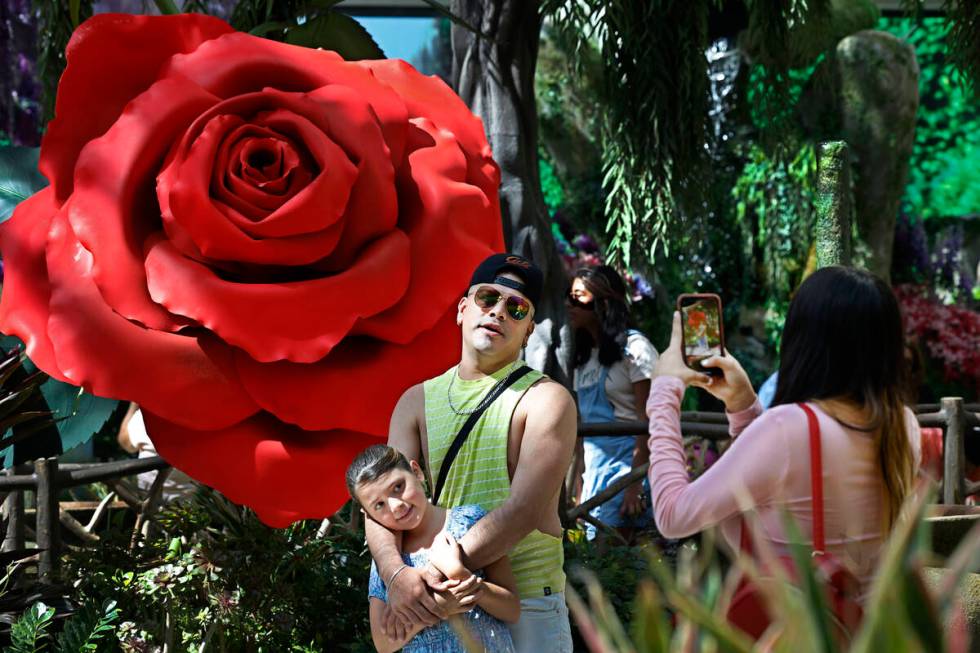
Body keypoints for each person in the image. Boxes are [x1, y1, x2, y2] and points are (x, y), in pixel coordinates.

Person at [646, 266, 921, 600]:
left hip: (796, 632)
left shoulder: (788, 428)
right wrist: (743, 405)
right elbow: (783, 490)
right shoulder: (904, 426)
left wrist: (664, 391)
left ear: (803, 340)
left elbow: (673, 515)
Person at [365, 253, 577, 653]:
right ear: (463, 309)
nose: (498, 311)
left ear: (528, 330)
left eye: (516, 309)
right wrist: (396, 577)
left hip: (524, 603)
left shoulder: (547, 399)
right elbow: (378, 504)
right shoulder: (415, 403)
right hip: (438, 608)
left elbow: (523, 511)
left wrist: (431, 578)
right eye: (487, 298)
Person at [348, 445, 519, 653]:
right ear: (369, 516)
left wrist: (463, 578)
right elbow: (383, 643)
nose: (395, 506)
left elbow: (512, 609)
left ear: (416, 472)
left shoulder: (469, 522)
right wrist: (442, 605)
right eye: (379, 505)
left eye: (398, 487)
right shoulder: (387, 561)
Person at [567, 265, 658, 541]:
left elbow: (649, 421)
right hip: (596, 467)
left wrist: (635, 485)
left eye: (578, 296)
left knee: (612, 552)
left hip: (627, 465)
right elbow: (582, 431)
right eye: (569, 295)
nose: (568, 304)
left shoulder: (635, 349)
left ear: (604, 301)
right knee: (599, 555)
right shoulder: (582, 358)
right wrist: (580, 484)